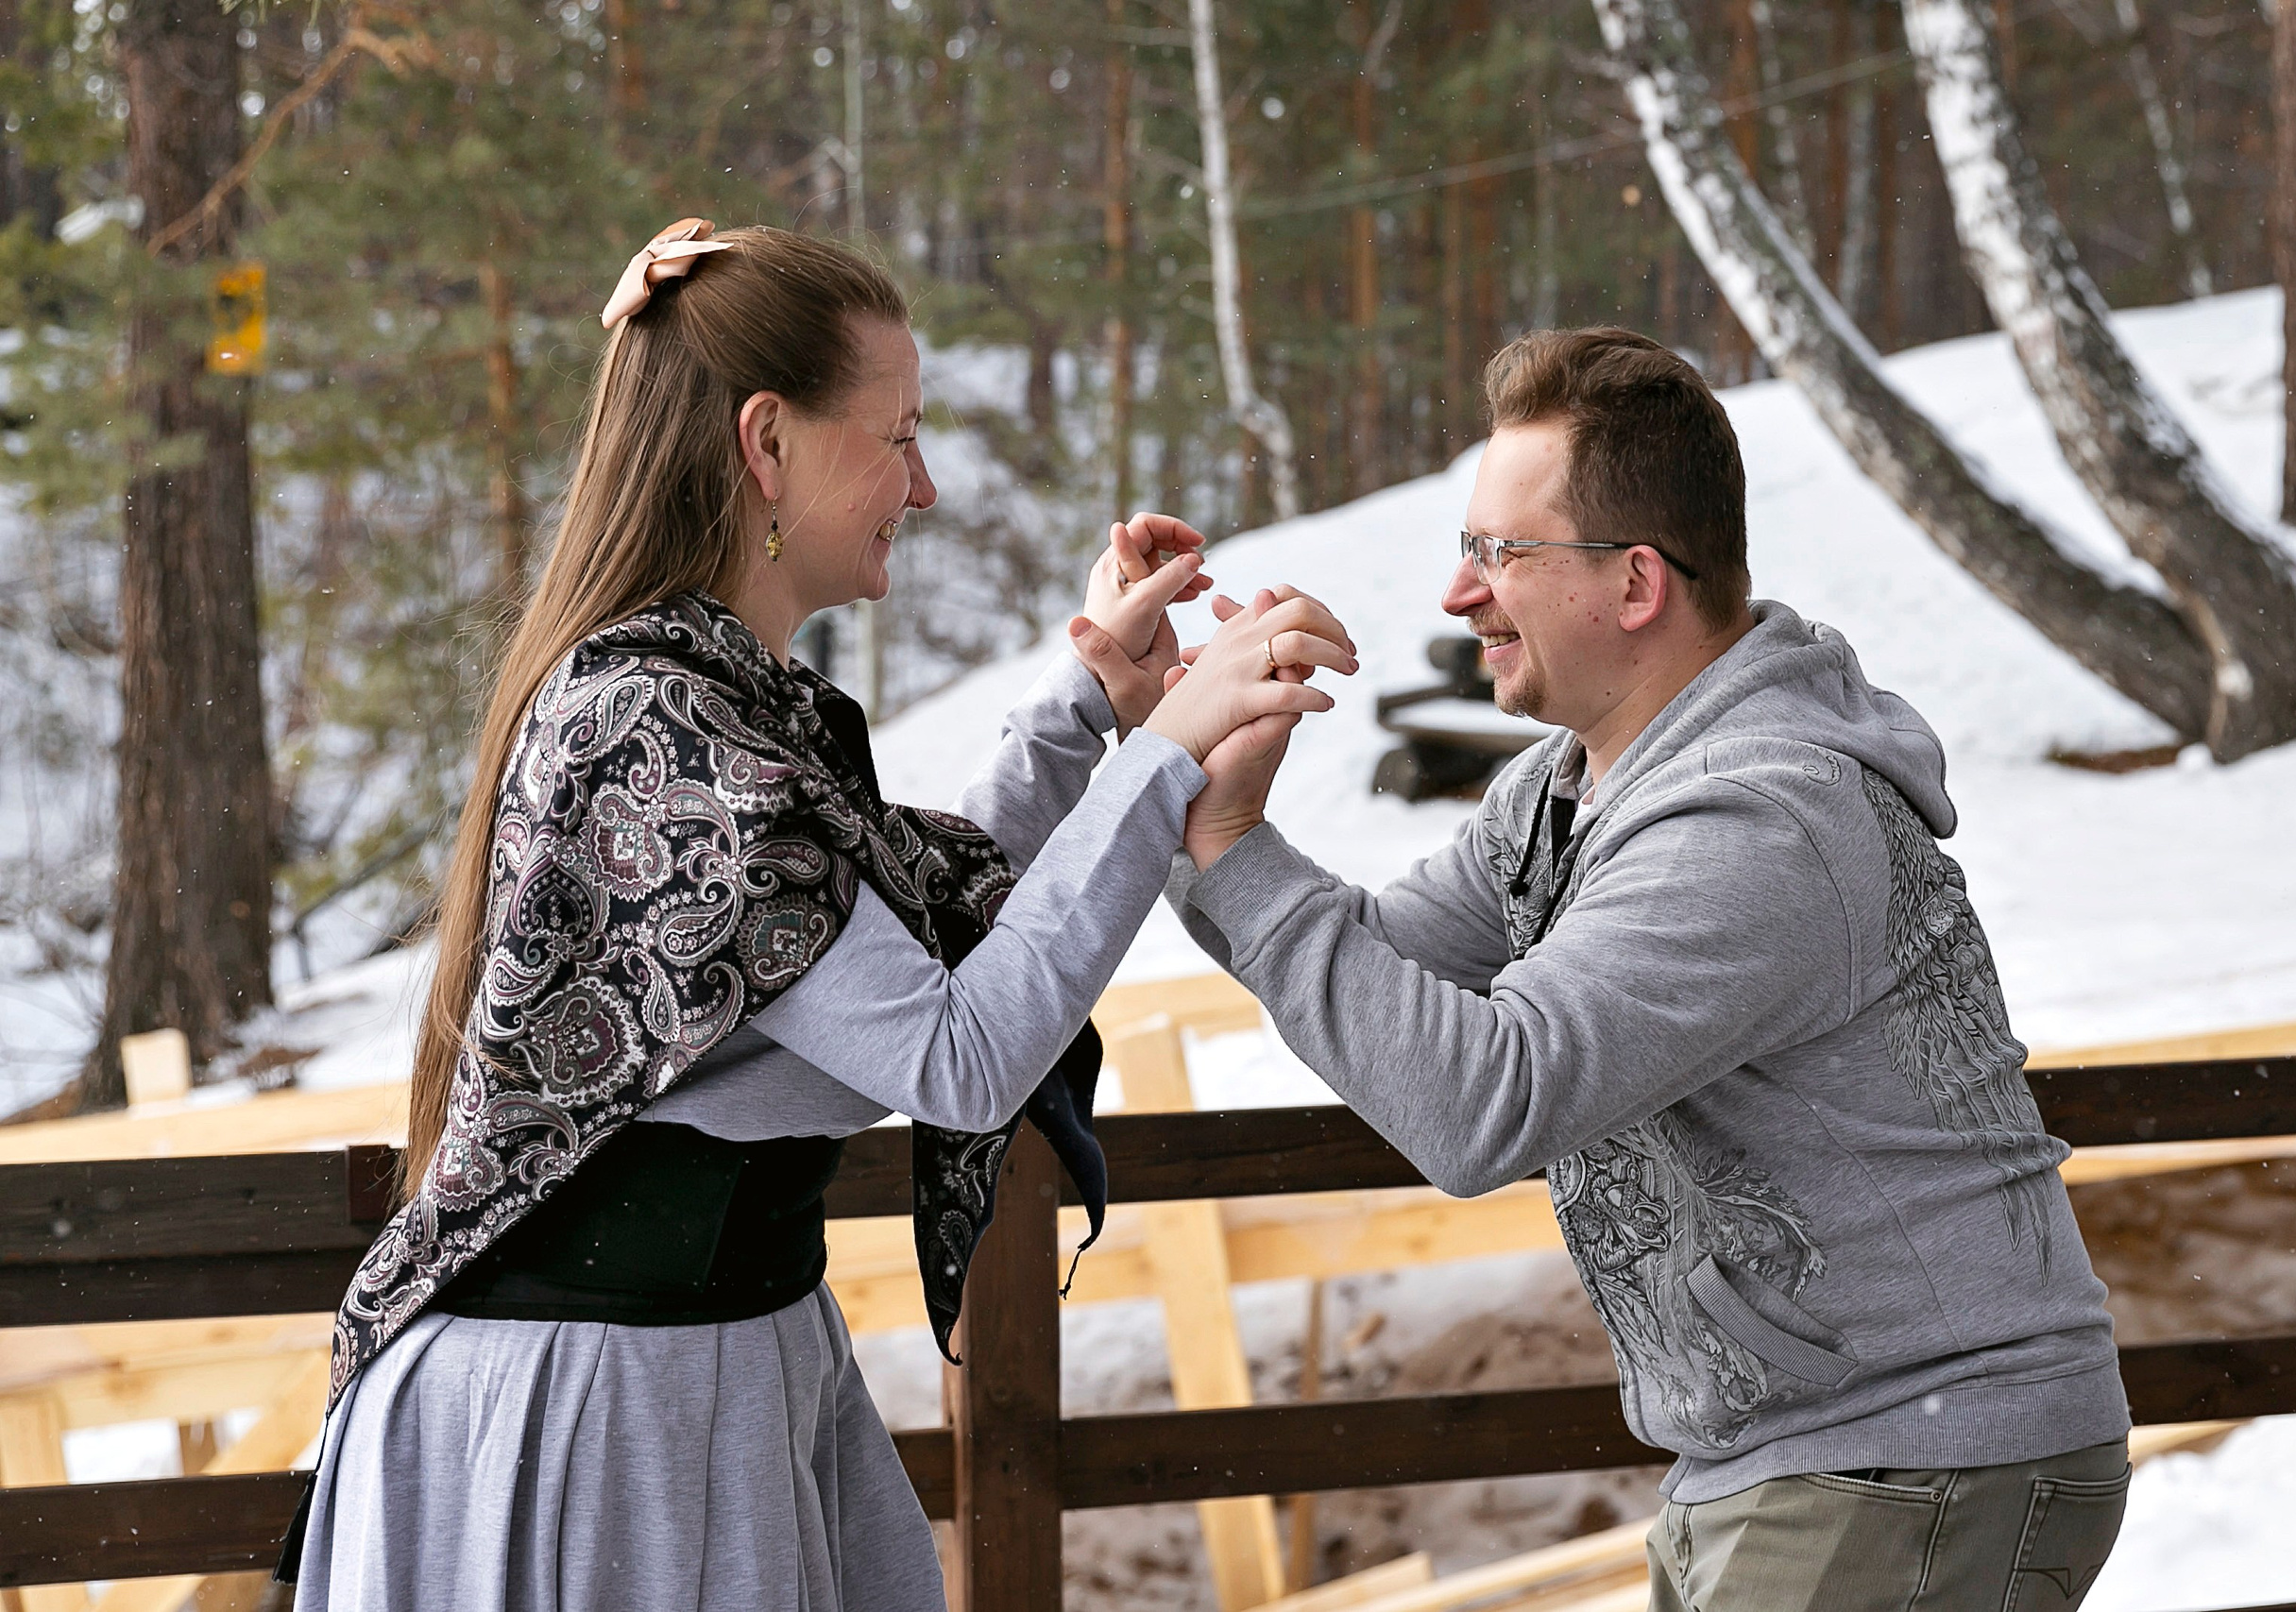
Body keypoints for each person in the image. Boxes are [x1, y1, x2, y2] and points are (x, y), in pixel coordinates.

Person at [289, 220, 1355, 1612]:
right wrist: (1163, 763)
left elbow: (913, 933)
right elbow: (959, 1050)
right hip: (593, 1411)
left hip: (714, 1365)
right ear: (767, 443)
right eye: (898, 436)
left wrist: (1097, 705)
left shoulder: (723, 699)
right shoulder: (650, 729)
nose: (925, 484)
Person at [1152, 328, 2132, 1611]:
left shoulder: (1768, 820)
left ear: (1635, 585)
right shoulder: (1564, 794)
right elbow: (1376, 978)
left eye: (1502, 553)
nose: (1462, 596)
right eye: (1467, 550)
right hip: (1785, 1455)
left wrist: (1224, 839)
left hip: (1914, 1456)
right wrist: (1179, 785)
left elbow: (1482, 1100)